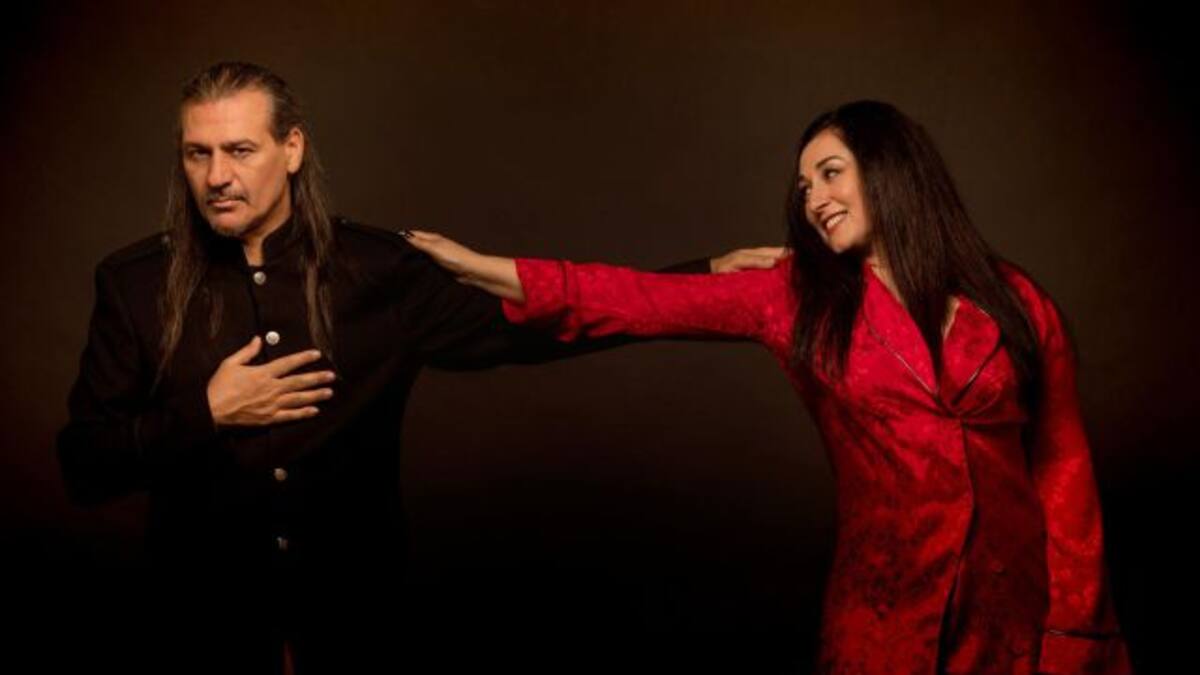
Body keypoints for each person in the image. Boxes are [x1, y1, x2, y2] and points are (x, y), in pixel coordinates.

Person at [55, 61, 774, 673]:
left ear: (292, 148)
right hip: (198, 629)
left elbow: (539, 329)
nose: (217, 176)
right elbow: (84, 465)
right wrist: (207, 413)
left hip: (357, 627)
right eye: (197, 154)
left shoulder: (378, 270)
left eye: (240, 150)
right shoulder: (134, 283)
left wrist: (704, 278)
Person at [406, 100, 1133, 673]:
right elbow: (632, 299)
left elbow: (1064, 476)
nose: (813, 199)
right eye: (804, 186)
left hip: (1013, 620)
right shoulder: (793, 297)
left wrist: (1072, 633)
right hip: (887, 622)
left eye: (830, 173)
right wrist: (482, 266)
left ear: (891, 169)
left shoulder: (1015, 300)